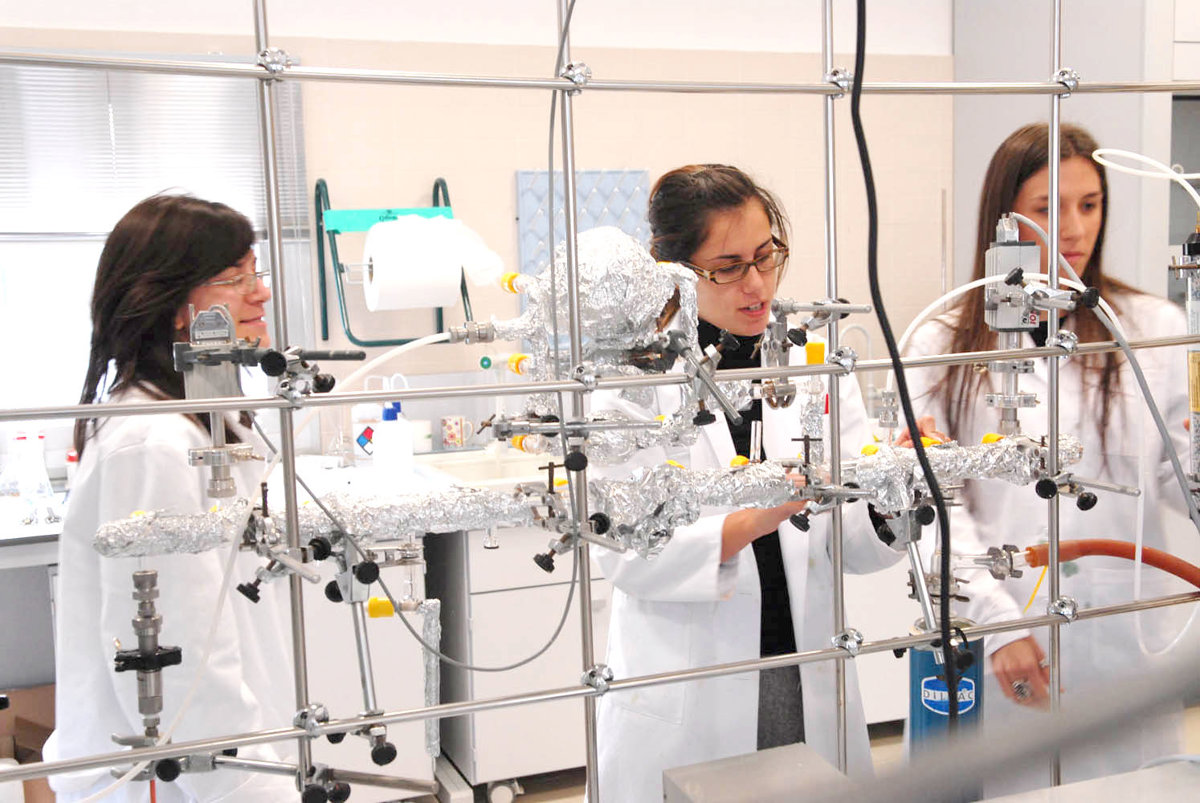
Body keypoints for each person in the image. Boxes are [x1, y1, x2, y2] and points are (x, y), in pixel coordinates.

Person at [591, 164, 904, 802]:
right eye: (728, 267)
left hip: (802, 665)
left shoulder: (814, 363)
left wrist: (894, 494)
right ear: (675, 271)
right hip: (691, 684)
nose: (757, 284)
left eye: (766, 256)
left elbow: (849, 539)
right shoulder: (632, 385)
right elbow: (623, 550)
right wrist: (752, 520)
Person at [904, 123, 1190, 792]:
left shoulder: (1151, 327)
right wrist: (1000, 625)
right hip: (1003, 628)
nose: (1074, 228)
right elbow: (931, 503)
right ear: (1004, 219)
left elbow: (1178, 474)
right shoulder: (940, 340)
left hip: (1125, 635)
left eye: (1089, 204)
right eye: (1047, 207)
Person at [45, 194, 297, 801]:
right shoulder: (153, 443)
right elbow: (178, 650)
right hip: (179, 776)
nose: (261, 294)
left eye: (256, 273)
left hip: (222, 754)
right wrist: (248, 788)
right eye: (235, 279)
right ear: (176, 308)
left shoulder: (198, 417)